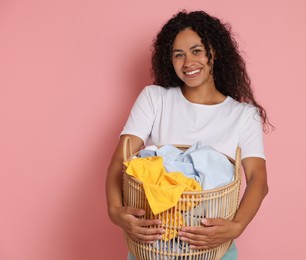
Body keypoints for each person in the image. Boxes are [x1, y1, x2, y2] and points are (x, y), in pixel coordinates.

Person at [106, 10, 270, 260]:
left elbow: (258, 179)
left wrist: (236, 227)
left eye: (196, 51)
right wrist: (116, 212)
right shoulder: (155, 98)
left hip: (210, 249)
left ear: (214, 52)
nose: (188, 63)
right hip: (155, 249)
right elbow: (119, 161)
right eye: (178, 55)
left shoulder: (243, 115)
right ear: (169, 60)